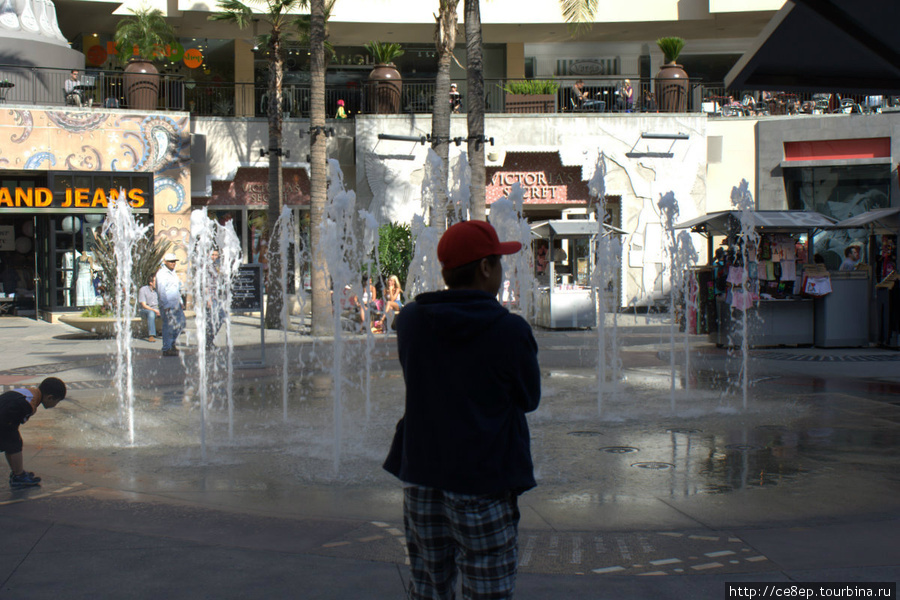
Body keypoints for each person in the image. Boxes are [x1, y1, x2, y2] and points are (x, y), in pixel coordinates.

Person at [384, 220, 541, 600]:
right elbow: (528, 399)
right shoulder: (510, 331)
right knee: (488, 592)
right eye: (499, 263)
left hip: (422, 479)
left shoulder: (411, 322)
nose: (503, 272)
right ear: (485, 268)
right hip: (483, 481)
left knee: (428, 588)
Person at [1, 377, 67, 488]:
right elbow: (15, 422)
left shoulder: (29, 393)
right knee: (14, 443)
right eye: (57, 401)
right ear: (50, 398)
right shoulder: (28, 404)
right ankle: (19, 476)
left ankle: (18, 473)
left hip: (5, 418)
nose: (56, 405)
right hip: (4, 419)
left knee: (12, 443)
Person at [156, 252, 185, 357]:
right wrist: (166, 305)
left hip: (176, 304)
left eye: (174, 261)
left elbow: (176, 289)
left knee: (181, 324)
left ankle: (171, 343)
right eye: (171, 261)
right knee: (168, 327)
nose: (173, 263)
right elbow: (161, 291)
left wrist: (181, 301)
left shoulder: (173, 273)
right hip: (168, 305)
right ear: (165, 262)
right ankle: (166, 348)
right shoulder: (162, 274)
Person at [205, 249, 226, 350]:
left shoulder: (215, 265)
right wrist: (208, 298)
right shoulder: (205, 266)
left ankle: (209, 340)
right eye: (212, 255)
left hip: (216, 296)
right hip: (210, 297)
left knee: (220, 317)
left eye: (216, 255)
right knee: (214, 318)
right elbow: (204, 284)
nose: (214, 257)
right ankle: (208, 341)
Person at [137, 275, 160, 342]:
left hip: (156, 310)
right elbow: (144, 305)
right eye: (156, 281)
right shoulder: (143, 290)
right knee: (151, 313)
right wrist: (154, 310)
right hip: (145, 310)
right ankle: (151, 336)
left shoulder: (158, 291)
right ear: (151, 282)